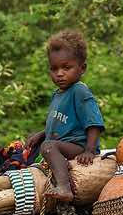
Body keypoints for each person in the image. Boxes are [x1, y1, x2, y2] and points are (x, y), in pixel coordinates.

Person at [25, 30, 105, 201]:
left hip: (78, 146)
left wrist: (89, 151)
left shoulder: (79, 91)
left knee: (48, 147)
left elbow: (94, 123)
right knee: (40, 147)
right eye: (54, 69)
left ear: (82, 68)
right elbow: (59, 125)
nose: (59, 73)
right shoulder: (57, 94)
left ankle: (64, 187)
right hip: (61, 145)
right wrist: (41, 134)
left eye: (66, 68)